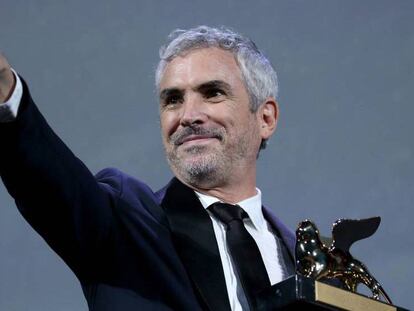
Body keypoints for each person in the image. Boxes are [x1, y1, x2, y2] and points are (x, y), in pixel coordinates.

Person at [0, 26, 295, 311]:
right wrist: (6, 95)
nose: (189, 115)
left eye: (213, 93)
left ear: (265, 118)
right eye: (173, 100)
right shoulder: (123, 222)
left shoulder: (311, 265)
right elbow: (49, 182)